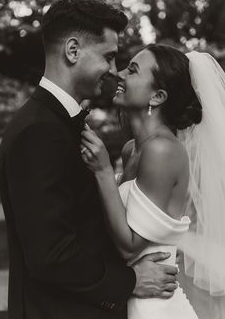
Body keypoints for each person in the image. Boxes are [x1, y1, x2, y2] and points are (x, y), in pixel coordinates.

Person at [0, 0, 178, 319]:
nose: (113, 70)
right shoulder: (38, 131)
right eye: (108, 57)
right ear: (73, 50)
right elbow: (51, 256)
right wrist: (132, 280)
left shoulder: (56, 122)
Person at [81, 44, 225, 318]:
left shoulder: (163, 151)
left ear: (157, 96)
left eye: (132, 70)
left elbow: (129, 245)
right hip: (133, 295)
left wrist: (102, 172)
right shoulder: (131, 149)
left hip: (155, 306)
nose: (119, 73)